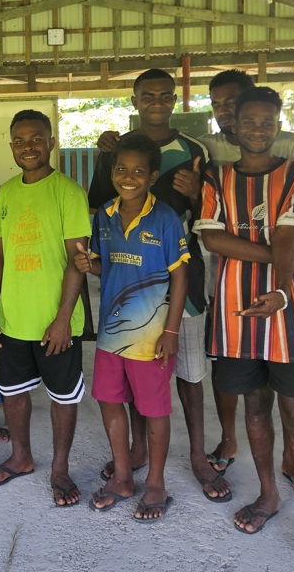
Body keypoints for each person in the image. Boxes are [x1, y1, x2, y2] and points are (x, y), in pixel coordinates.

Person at [196, 86, 294, 571]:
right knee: (255, 409)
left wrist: (281, 287)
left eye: (268, 121)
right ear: (231, 124)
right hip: (237, 312)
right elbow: (214, 239)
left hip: (290, 311)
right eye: (248, 120)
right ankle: (268, 494)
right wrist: (288, 263)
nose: (258, 128)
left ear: (279, 125)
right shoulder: (215, 176)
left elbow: (286, 232)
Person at [87, 68, 227, 503]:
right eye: (148, 95)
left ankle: (199, 455)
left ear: (174, 100)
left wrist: (196, 191)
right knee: (133, 369)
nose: (157, 102)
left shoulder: (194, 149)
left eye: (165, 96)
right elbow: (99, 207)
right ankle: (140, 447)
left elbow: (215, 209)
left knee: (188, 369)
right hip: (130, 287)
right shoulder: (115, 149)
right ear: (134, 99)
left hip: (181, 278)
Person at [77, 133, 189, 522]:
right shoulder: (104, 216)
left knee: (155, 409)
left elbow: (180, 277)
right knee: (109, 400)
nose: (128, 177)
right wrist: (86, 266)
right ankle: (123, 477)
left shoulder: (165, 218)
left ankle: (155, 482)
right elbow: (106, 266)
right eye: (121, 169)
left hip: (152, 338)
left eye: (138, 171)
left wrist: (171, 332)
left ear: (152, 176)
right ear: (112, 172)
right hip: (111, 334)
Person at [0, 110, 90, 508]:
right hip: (12, 318)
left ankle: (60, 469)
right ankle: (21, 456)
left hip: (54, 323)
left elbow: (76, 260)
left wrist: (63, 319)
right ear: (11, 146)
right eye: (20, 140)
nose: (28, 146)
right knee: (13, 393)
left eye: (36, 138)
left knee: (63, 397)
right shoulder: (5, 193)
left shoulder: (68, 192)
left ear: (51, 142)